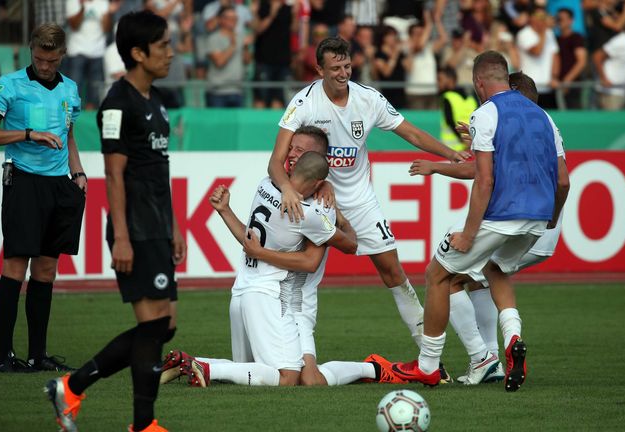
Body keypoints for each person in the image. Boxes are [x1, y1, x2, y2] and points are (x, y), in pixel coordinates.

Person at [269, 37, 468, 350]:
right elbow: (276, 161)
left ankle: (430, 356)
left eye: (347, 66)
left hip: (361, 203)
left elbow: (411, 132)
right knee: (298, 279)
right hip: (316, 202)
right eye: (335, 68)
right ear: (319, 69)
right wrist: (289, 190)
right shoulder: (304, 103)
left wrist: (450, 153)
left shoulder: (368, 99)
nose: (343, 73)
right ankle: (285, 351)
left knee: (394, 274)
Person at [392, 51, 570, 392]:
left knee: (438, 274)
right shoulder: (544, 116)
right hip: (538, 219)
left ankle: (427, 366)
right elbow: (563, 180)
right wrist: (550, 218)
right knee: (494, 270)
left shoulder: (486, 113)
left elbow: (483, 179)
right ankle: (511, 337)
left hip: (503, 216)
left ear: (479, 83)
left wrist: (468, 233)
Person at [45, 11, 184, 432]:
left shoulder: (156, 100)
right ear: (138, 53)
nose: (171, 53)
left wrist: (174, 225)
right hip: (135, 227)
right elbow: (114, 174)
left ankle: (71, 386)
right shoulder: (117, 103)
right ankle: (143, 423)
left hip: (157, 224)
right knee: (154, 324)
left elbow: (160, 170)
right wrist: (121, 236)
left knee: (166, 326)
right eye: (163, 46)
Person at [162, 151, 358, 388]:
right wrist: (339, 215)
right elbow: (336, 251)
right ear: (317, 183)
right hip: (268, 296)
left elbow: (249, 241)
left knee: (247, 370)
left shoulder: (265, 185)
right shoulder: (309, 213)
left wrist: (225, 210)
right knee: (288, 377)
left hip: (241, 292)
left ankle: (189, 362)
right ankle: (206, 368)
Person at [0, 23, 84, 374]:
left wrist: (78, 173)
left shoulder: (71, 88)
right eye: (39, 58)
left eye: (52, 60)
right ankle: (4, 356)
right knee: (15, 267)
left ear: (62, 55)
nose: (45, 65)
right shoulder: (9, 85)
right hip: (22, 181)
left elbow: (69, 135)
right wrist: (27, 134)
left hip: (59, 185)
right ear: (30, 52)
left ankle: (38, 355)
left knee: (47, 269)